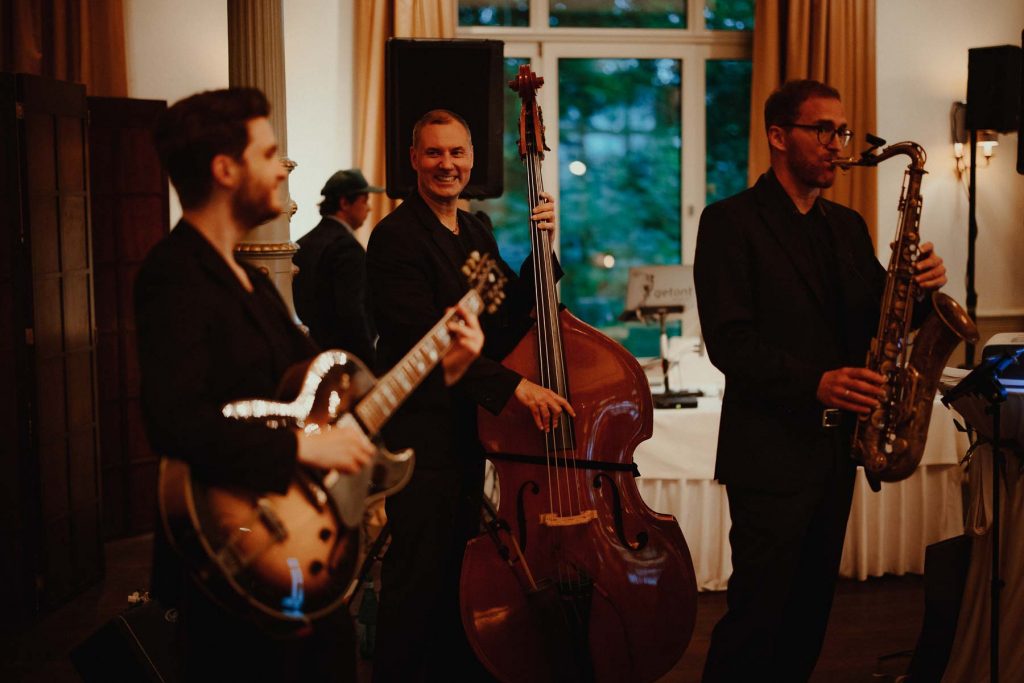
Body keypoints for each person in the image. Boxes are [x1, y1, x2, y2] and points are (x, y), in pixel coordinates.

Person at [135, 89, 484, 681]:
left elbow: (328, 407)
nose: (283, 166)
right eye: (269, 153)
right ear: (225, 170)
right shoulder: (174, 274)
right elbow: (174, 422)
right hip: (236, 555)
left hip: (296, 544)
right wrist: (300, 447)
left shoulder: (246, 276)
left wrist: (444, 369)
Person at [693, 79, 948, 682]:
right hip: (770, 454)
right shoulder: (729, 222)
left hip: (837, 453)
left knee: (809, 617)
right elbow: (731, 343)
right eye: (823, 130)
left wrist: (919, 288)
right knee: (756, 619)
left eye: (842, 131)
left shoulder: (847, 226)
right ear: (778, 137)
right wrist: (817, 383)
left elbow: (879, 320)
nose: (837, 143)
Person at [366, 109, 574, 682]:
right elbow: (424, 346)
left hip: (467, 432)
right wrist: (514, 387)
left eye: (456, 153)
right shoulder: (396, 239)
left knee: (459, 572)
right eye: (434, 153)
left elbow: (503, 317)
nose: (446, 164)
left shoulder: (475, 231)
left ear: (473, 159)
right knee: (416, 579)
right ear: (413, 160)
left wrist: (543, 246)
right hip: (421, 435)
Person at [293, 168, 383, 365]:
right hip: (342, 360)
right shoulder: (347, 248)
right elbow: (352, 313)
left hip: (310, 355)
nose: (369, 208)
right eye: (364, 200)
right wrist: (369, 361)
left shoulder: (301, 244)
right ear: (344, 203)